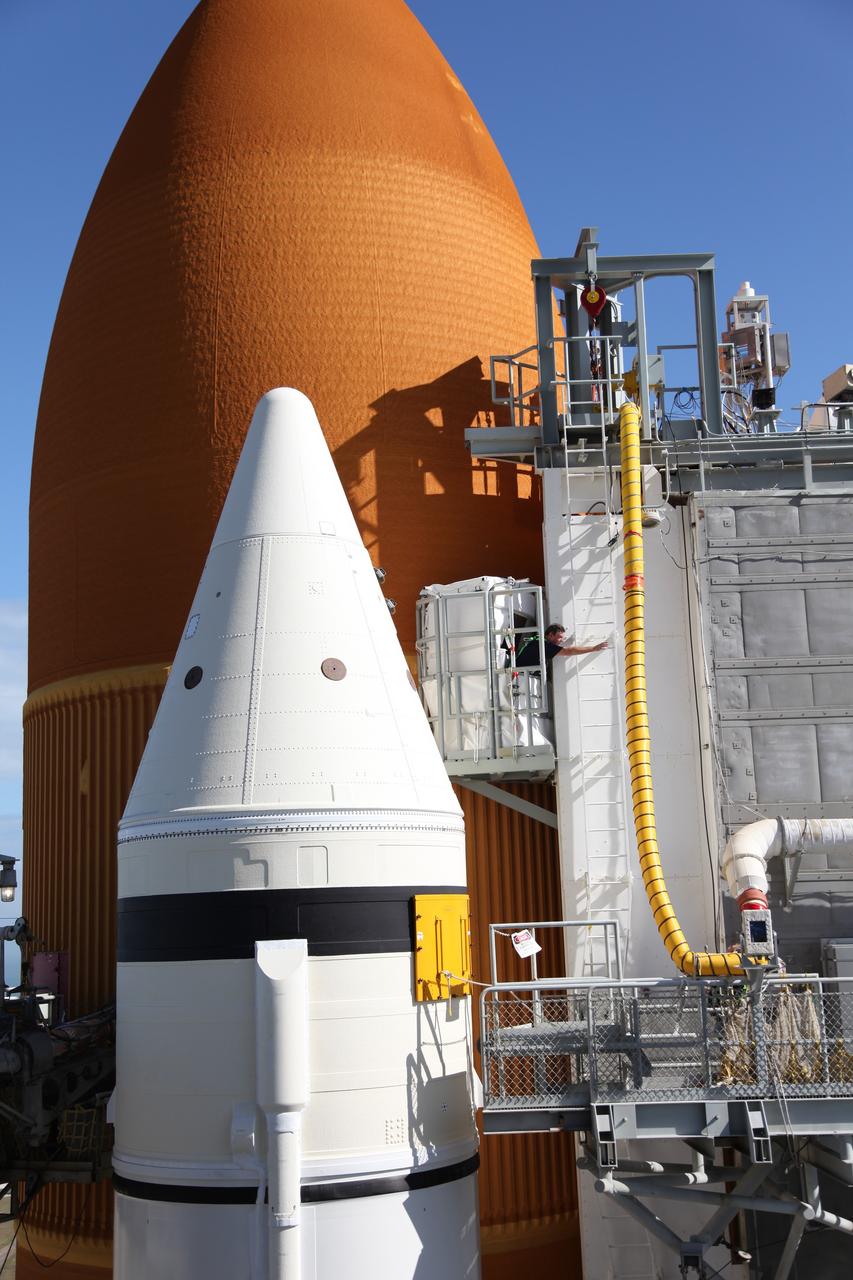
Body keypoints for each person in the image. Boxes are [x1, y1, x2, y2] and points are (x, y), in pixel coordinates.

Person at [514, 624, 606, 669]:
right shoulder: (544, 645)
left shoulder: (539, 640)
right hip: (520, 676)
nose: (561, 640)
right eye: (559, 637)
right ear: (550, 635)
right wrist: (593, 648)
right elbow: (569, 651)